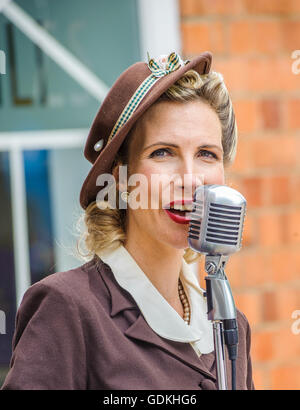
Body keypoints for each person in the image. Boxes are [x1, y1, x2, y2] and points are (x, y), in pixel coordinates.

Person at [1, 51, 254, 390]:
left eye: (207, 154)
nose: (191, 179)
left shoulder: (229, 325)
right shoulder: (68, 309)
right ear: (121, 176)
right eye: (162, 152)